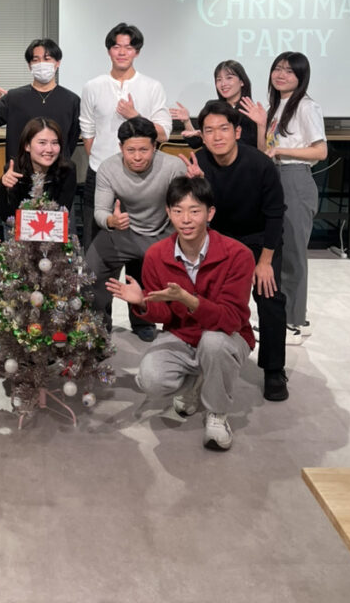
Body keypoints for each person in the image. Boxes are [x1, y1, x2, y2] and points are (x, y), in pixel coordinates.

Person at [108, 175, 254, 451]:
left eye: (194, 211)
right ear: (168, 213)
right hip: (182, 335)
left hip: (227, 336)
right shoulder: (156, 255)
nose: (186, 219)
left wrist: (189, 300)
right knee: (150, 379)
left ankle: (217, 413)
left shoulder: (238, 255)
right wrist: (142, 303)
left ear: (210, 213)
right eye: (178, 211)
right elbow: (165, 314)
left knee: (213, 343)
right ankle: (197, 382)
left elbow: (232, 319)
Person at [184, 100, 288, 401]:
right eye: (209, 130)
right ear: (202, 135)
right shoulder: (198, 164)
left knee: (269, 296)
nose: (217, 136)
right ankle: (199, 358)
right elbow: (195, 213)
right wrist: (197, 186)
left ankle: (274, 369)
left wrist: (265, 261)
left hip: (258, 239)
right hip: (218, 238)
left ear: (237, 132)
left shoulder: (260, 165)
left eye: (224, 129)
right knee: (202, 293)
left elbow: (275, 215)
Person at [240, 52, 327, 343]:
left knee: (293, 254)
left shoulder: (306, 106)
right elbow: (266, 150)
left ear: (301, 77)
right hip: (277, 176)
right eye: (277, 69)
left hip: (295, 178)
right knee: (279, 250)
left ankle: (293, 321)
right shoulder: (278, 106)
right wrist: (261, 125)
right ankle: (288, 316)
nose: (281, 75)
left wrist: (281, 151)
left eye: (289, 71)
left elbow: (320, 151)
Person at [84, 116, 185, 340]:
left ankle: (144, 322)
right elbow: (100, 210)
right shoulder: (108, 167)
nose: (137, 157)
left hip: (162, 234)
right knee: (91, 271)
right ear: (121, 147)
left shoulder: (173, 167)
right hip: (122, 231)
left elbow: (183, 206)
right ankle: (98, 326)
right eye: (130, 150)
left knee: (172, 277)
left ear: (155, 146)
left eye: (144, 150)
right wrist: (111, 221)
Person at [80, 23, 172, 249]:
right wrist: (104, 163)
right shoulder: (93, 86)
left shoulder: (152, 86)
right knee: (94, 241)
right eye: (116, 47)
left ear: (137, 52)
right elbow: (88, 132)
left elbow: (164, 134)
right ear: (108, 50)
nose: (122, 52)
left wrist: (135, 116)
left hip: (141, 175)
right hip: (99, 172)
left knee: (139, 244)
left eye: (128, 47)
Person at [0, 38, 81, 162]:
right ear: (30, 66)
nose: (41, 64)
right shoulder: (13, 97)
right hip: (18, 170)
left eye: (47, 59)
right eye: (36, 60)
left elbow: (71, 140)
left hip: (59, 170)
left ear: (57, 63)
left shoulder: (72, 100)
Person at [0, 117, 77, 223]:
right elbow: (7, 217)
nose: (49, 149)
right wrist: (4, 187)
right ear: (27, 146)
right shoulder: (14, 171)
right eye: (42, 143)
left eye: (54, 143)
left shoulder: (67, 170)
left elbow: (61, 214)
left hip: (53, 226)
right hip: (18, 227)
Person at [170, 59, 263, 148]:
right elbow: (195, 143)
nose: (223, 84)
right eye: (219, 79)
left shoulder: (251, 112)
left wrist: (202, 134)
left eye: (229, 78)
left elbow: (250, 147)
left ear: (242, 82)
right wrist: (187, 121)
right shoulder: (212, 106)